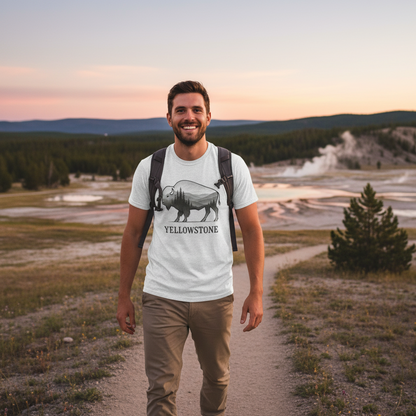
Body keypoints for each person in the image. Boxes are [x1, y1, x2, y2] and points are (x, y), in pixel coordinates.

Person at [117, 81, 264, 416]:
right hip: (162, 294)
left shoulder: (231, 165)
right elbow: (133, 233)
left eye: (196, 110)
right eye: (180, 110)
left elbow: (252, 230)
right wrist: (123, 294)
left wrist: (256, 290)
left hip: (214, 294)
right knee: (161, 388)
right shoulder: (150, 168)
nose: (189, 117)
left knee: (217, 378)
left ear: (208, 117)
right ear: (168, 117)